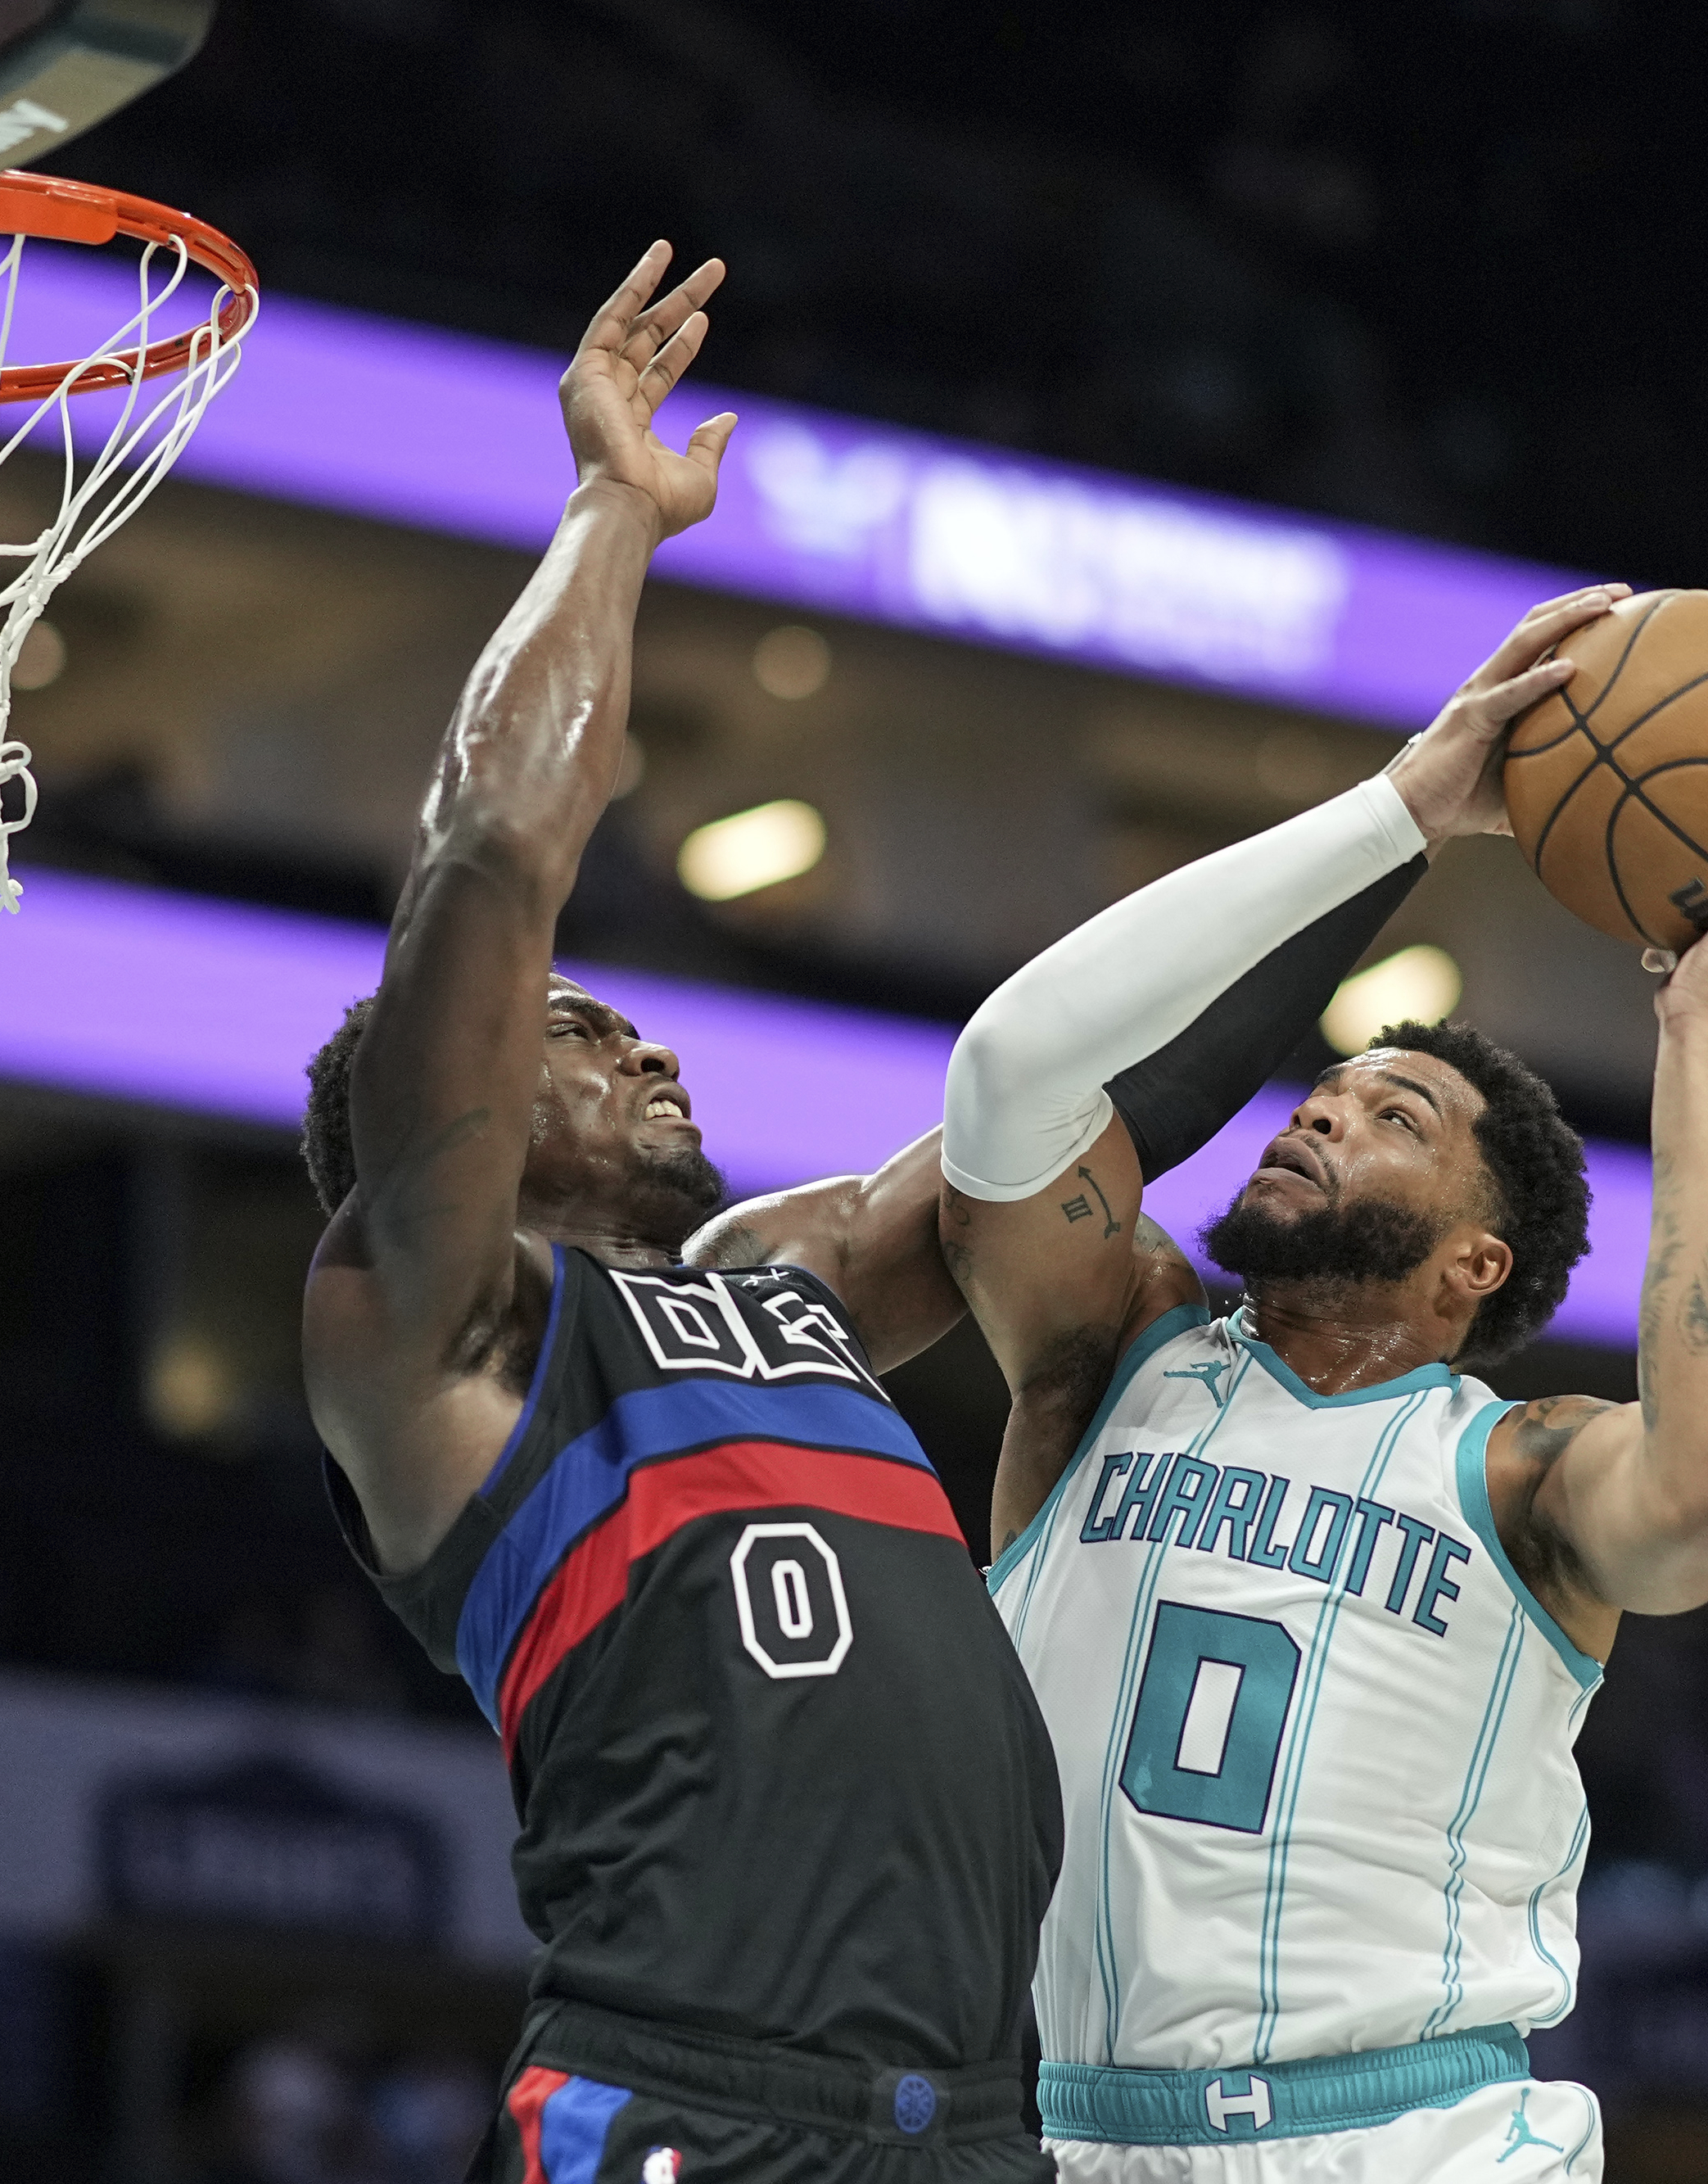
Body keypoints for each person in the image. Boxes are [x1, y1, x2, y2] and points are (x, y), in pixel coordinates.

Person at [298, 245, 1426, 2182]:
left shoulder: (776, 1280)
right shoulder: (437, 1325)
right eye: (577, 1031)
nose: (642, 1053)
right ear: (442, 1116)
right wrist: (611, 511)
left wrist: (1409, 816)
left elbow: (1081, 1123)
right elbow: (492, 841)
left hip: (976, 2125)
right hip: (691, 2102)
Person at [940, 587, 1708, 2177]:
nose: (1316, 1114)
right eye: (1322, 1090)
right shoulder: (1109, 1362)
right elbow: (1010, 1073)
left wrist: (1702, 1034)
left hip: (1412, 2138)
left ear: (1474, 1263)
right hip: (1082, 2136)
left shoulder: (1514, 1471)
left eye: (1393, 1117)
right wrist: (1402, 807)